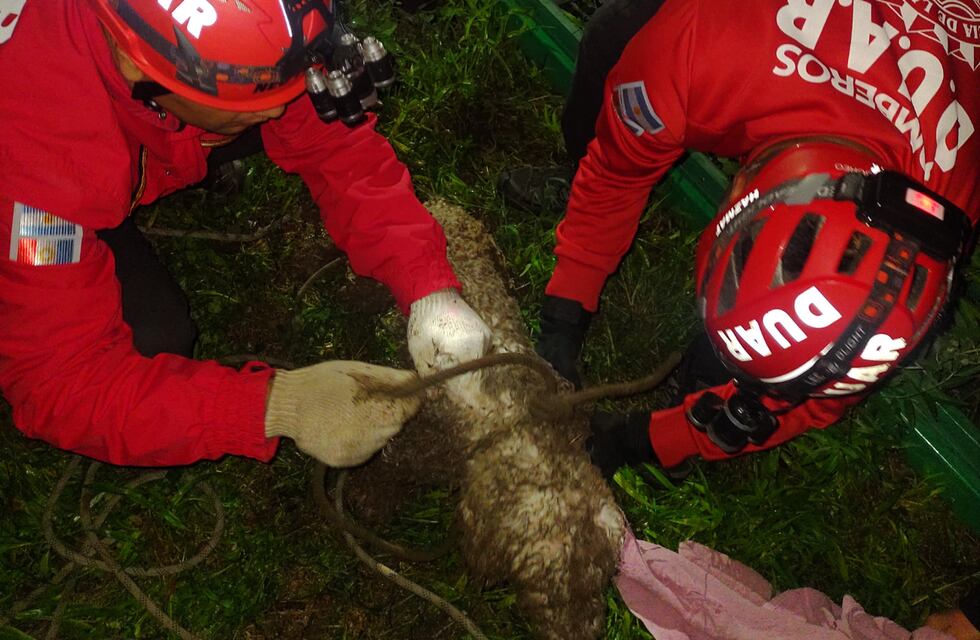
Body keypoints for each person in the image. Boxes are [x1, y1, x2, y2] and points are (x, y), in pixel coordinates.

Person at [514, 0, 978, 636]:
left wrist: (646, 439)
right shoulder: (694, 48)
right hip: (741, 52)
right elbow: (616, 177)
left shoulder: (942, 219)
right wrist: (562, 320)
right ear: (743, 195)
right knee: (611, 36)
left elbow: (808, 400)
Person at [0, 0, 492, 468]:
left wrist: (427, 287)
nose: (281, 111)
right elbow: (61, 379)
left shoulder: (227, 53)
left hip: (153, 119)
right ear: (137, 67)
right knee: (152, 337)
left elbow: (338, 151)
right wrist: (272, 407)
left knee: (279, 110)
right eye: (256, 99)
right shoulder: (37, 185)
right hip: (53, 193)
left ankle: (187, 147)